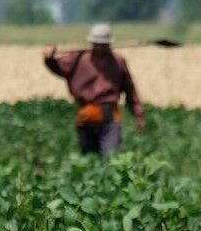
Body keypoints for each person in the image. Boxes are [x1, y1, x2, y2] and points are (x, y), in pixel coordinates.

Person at [42, 23, 145, 159]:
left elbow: (130, 90)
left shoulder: (118, 61)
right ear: (92, 43)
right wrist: (49, 57)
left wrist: (138, 114)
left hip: (110, 115)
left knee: (111, 157)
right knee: (89, 159)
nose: (101, 47)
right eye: (98, 43)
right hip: (86, 114)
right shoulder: (78, 59)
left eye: (104, 44)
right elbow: (56, 66)